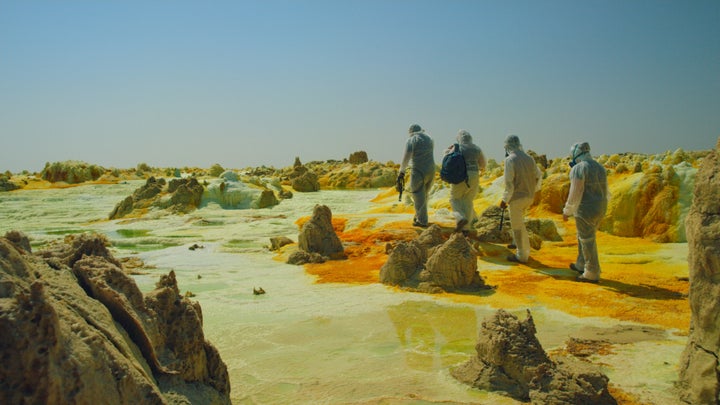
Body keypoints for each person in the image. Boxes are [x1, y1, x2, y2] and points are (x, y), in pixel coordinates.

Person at [562, 142, 609, 283]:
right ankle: (580, 263)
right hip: (600, 206)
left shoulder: (579, 169)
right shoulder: (600, 167)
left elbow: (575, 192)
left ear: (576, 154)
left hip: (585, 209)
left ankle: (592, 272)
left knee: (587, 239)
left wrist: (567, 210)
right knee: (584, 235)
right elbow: (606, 189)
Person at [500, 135, 542, 263]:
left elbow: (509, 184)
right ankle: (520, 246)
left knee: (517, 226)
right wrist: (533, 190)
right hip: (529, 196)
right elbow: (538, 175)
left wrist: (504, 200)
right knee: (520, 223)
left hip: (517, 199)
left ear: (507, 146)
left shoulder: (510, 160)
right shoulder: (529, 158)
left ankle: (521, 255)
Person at [446, 130, 486, 233]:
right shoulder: (477, 149)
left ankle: (460, 218)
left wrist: (447, 150)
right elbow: (483, 165)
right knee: (468, 201)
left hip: (460, 177)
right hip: (474, 177)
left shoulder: (457, 147)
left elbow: (447, 160)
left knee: (454, 199)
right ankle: (466, 229)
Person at [397, 124, 435, 227]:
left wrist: (401, 171)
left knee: (418, 196)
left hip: (418, 171)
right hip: (431, 170)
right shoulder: (429, 139)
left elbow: (406, 157)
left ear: (411, 131)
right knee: (425, 195)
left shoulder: (411, 140)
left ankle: (422, 221)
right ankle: (418, 216)